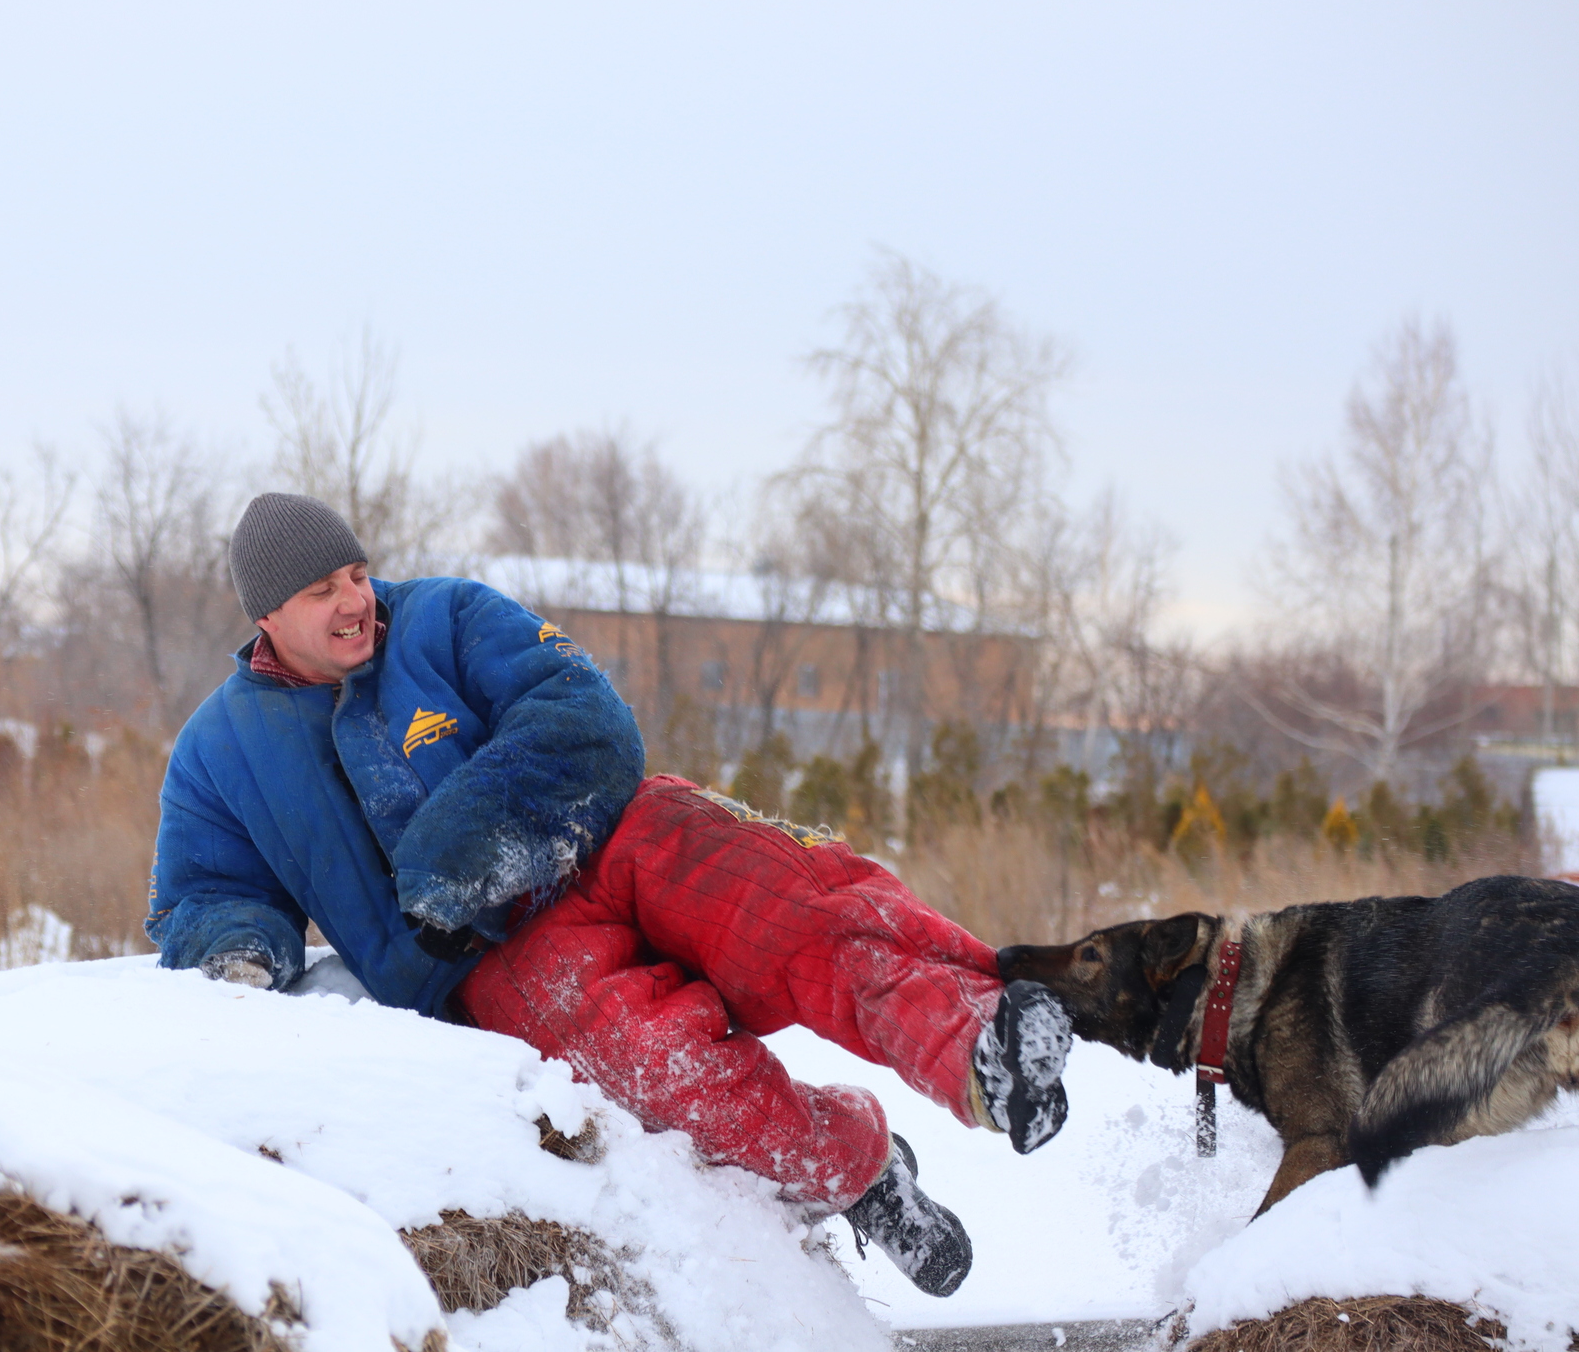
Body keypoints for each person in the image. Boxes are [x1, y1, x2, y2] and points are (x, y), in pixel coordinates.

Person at [146, 493, 1071, 1297]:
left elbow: (579, 707)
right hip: (492, 961)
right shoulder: (221, 750)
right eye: (324, 590)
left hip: (612, 835)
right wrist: (238, 950)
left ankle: (979, 1038)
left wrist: (462, 846)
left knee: (791, 908)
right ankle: (860, 1172)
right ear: (267, 613)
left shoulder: (445, 617)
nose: (356, 600)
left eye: (357, 572)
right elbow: (207, 887)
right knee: (667, 1069)